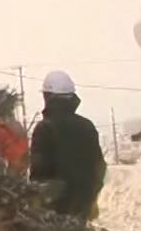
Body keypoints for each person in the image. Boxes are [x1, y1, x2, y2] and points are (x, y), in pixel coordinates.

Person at [28, 70, 106, 220]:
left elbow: (39, 174)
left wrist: (37, 204)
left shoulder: (44, 129)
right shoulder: (87, 126)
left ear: (48, 97)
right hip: (82, 208)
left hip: (53, 212)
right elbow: (100, 167)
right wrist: (91, 198)